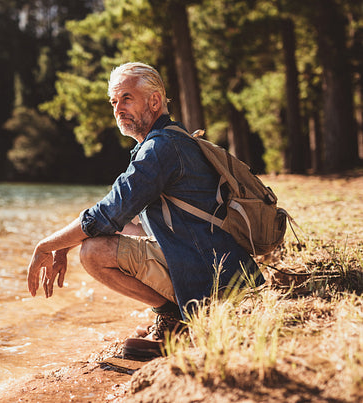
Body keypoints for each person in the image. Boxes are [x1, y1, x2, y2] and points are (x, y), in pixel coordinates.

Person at [27, 62, 264, 357]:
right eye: (114, 101)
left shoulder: (159, 149)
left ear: (154, 101)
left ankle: (174, 320)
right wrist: (66, 243)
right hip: (223, 268)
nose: (118, 109)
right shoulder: (171, 139)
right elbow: (120, 218)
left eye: (127, 98)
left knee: (92, 252)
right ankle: (172, 311)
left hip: (212, 278)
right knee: (99, 234)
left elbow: (107, 213)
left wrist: (47, 244)